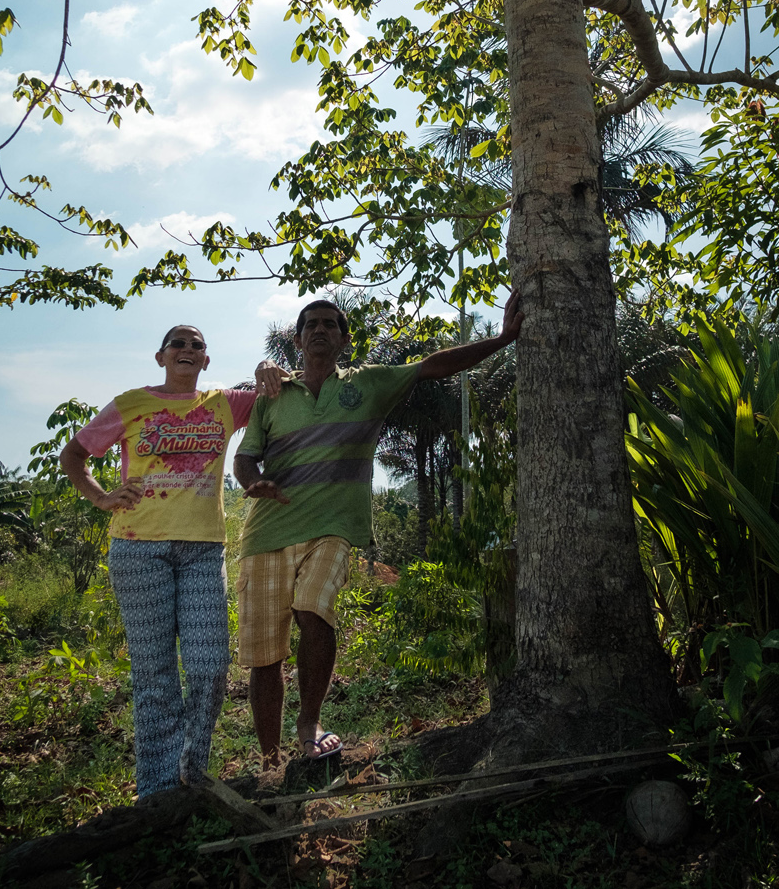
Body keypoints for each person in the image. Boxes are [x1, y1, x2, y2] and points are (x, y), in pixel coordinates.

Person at [232, 296, 522, 764]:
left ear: (344, 339)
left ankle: (309, 723)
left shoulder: (367, 383)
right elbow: (245, 456)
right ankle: (268, 760)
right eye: (311, 325)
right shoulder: (273, 396)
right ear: (297, 338)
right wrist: (253, 482)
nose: (320, 330)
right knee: (265, 656)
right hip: (266, 532)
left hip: (332, 527)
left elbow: (434, 365)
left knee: (314, 608)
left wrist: (504, 339)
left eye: (330, 324)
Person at [61, 324, 285, 799]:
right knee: (154, 674)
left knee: (209, 666)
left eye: (196, 345)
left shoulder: (225, 404)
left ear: (206, 362)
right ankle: (158, 791)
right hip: (138, 548)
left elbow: (283, 388)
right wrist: (102, 497)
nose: (187, 349)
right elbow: (74, 455)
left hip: (203, 549)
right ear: (160, 356)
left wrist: (267, 368)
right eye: (178, 344)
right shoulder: (131, 403)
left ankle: (192, 771)